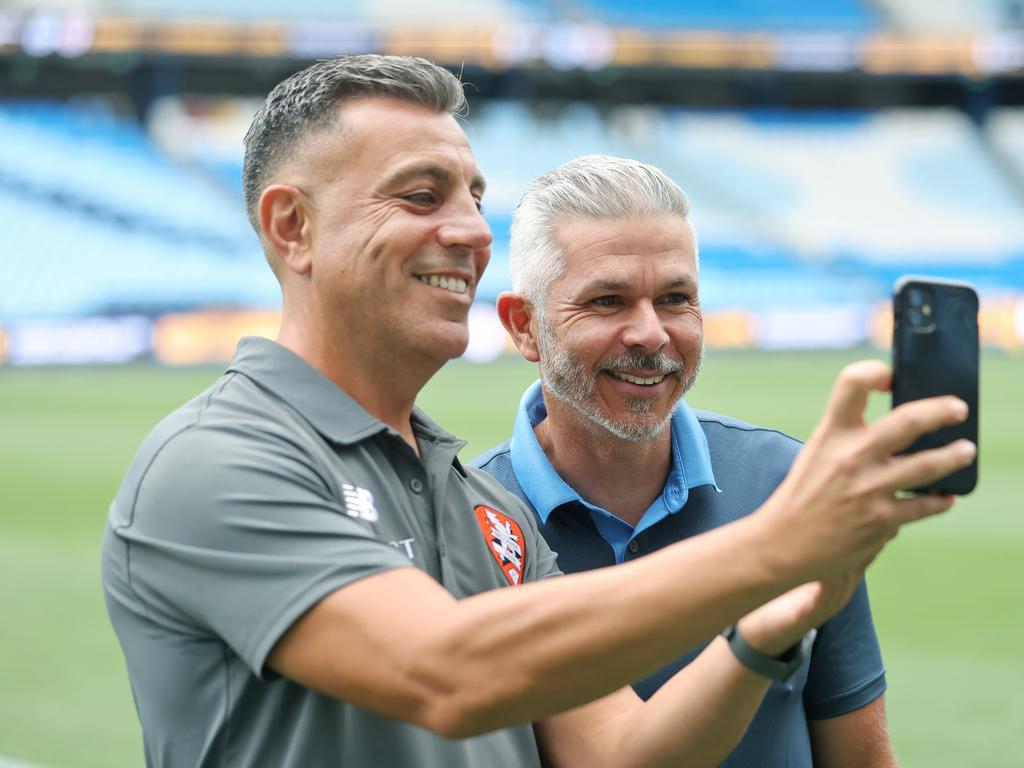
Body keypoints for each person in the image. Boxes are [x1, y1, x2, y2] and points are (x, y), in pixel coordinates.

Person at [101, 55, 975, 768]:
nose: (473, 231)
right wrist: (776, 545)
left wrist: (766, 628)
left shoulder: (481, 499)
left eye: (474, 197)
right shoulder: (217, 462)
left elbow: (621, 755)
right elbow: (446, 671)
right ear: (292, 228)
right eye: (421, 195)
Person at [472, 154, 911, 767]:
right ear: (524, 326)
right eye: (607, 301)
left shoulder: (787, 482)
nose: (650, 334)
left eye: (676, 298)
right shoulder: (470, 520)